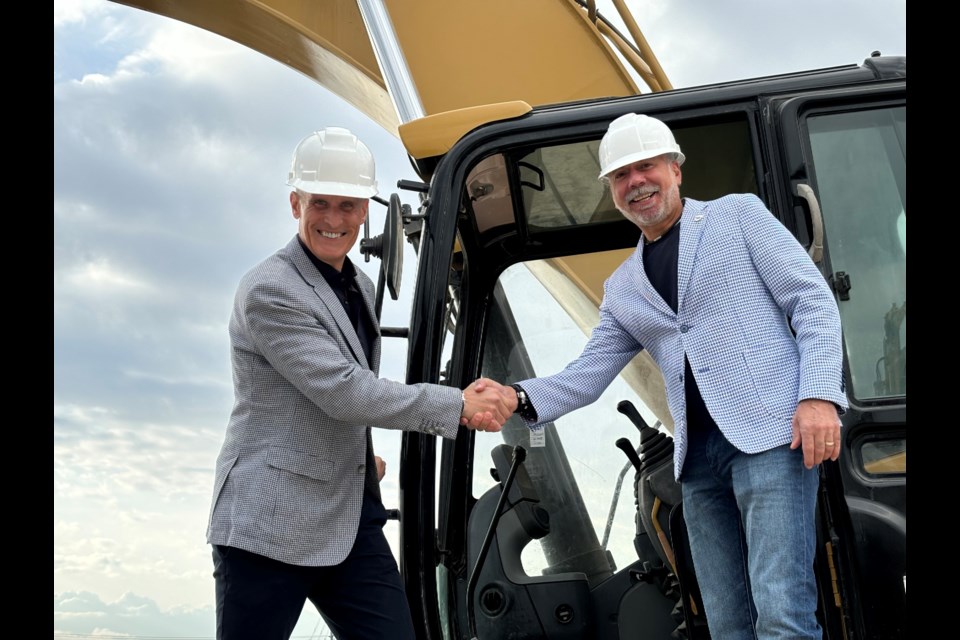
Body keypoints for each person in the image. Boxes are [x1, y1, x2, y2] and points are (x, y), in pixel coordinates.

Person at [473, 113, 847, 639]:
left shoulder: (737, 216)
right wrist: (515, 397)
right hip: (698, 465)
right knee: (725, 624)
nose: (635, 183)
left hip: (769, 439)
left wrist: (817, 397)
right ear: (612, 190)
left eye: (645, 166)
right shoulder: (624, 287)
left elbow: (810, 300)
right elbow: (588, 373)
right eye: (621, 176)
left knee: (782, 612)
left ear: (675, 168)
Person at [206, 127, 510, 640]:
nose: (333, 219)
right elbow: (345, 390)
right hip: (268, 527)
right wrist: (456, 402)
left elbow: (330, 393)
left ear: (365, 211)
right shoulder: (269, 290)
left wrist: (352, 457)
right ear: (294, 202)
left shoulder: (359, 284)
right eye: (318, 203)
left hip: (347, 518)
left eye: (347, 206)